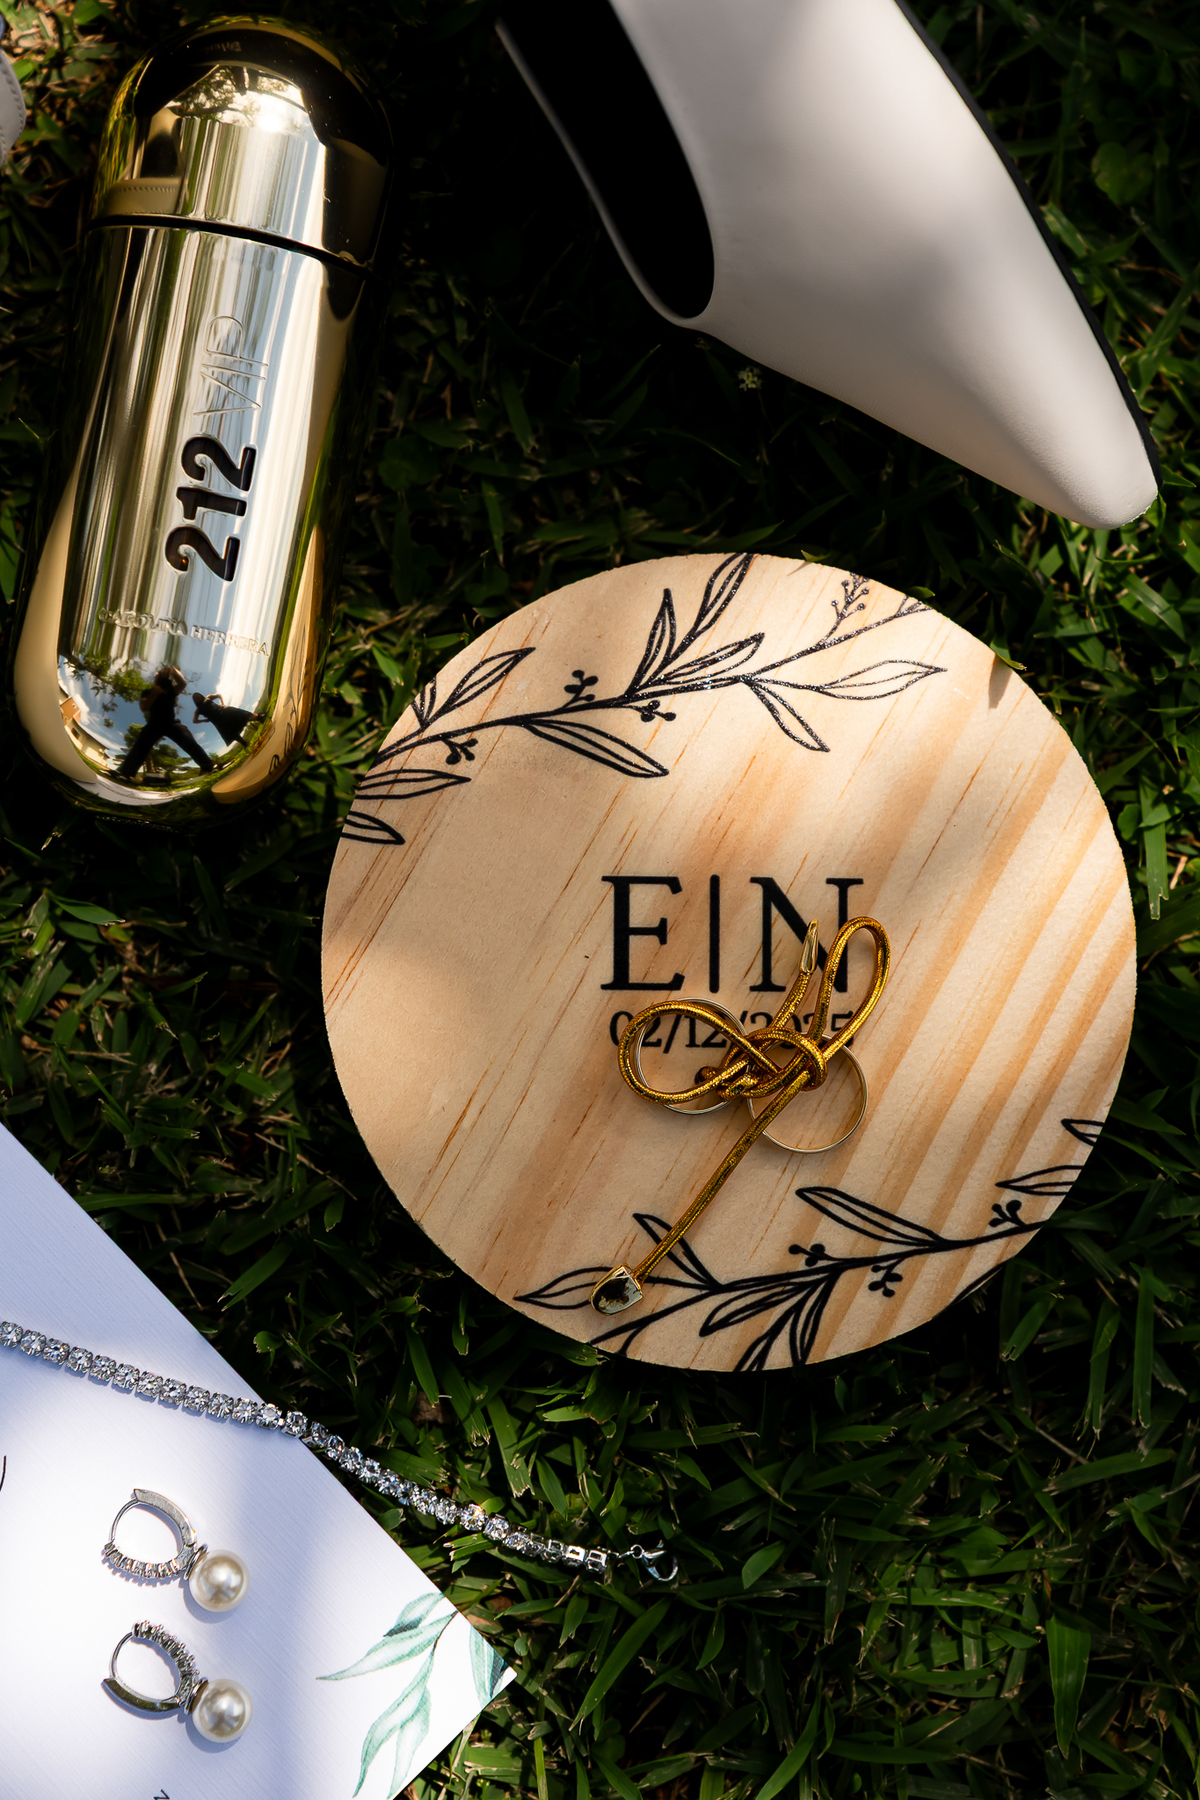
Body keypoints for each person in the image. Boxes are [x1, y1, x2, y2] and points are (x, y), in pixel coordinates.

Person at [117, 665, 214, 779]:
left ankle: (208, 766)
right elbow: (144, 707)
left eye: (162, 676)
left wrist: (172, 671)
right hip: (154, 724)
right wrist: (156, 691)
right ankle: (125, 772)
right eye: (158, 676)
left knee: (187, 739)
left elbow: (182, 683)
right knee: (142, 743)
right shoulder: (148, 692)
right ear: (155, 680)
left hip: (171, 722)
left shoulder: (171, 690)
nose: (160, 677)